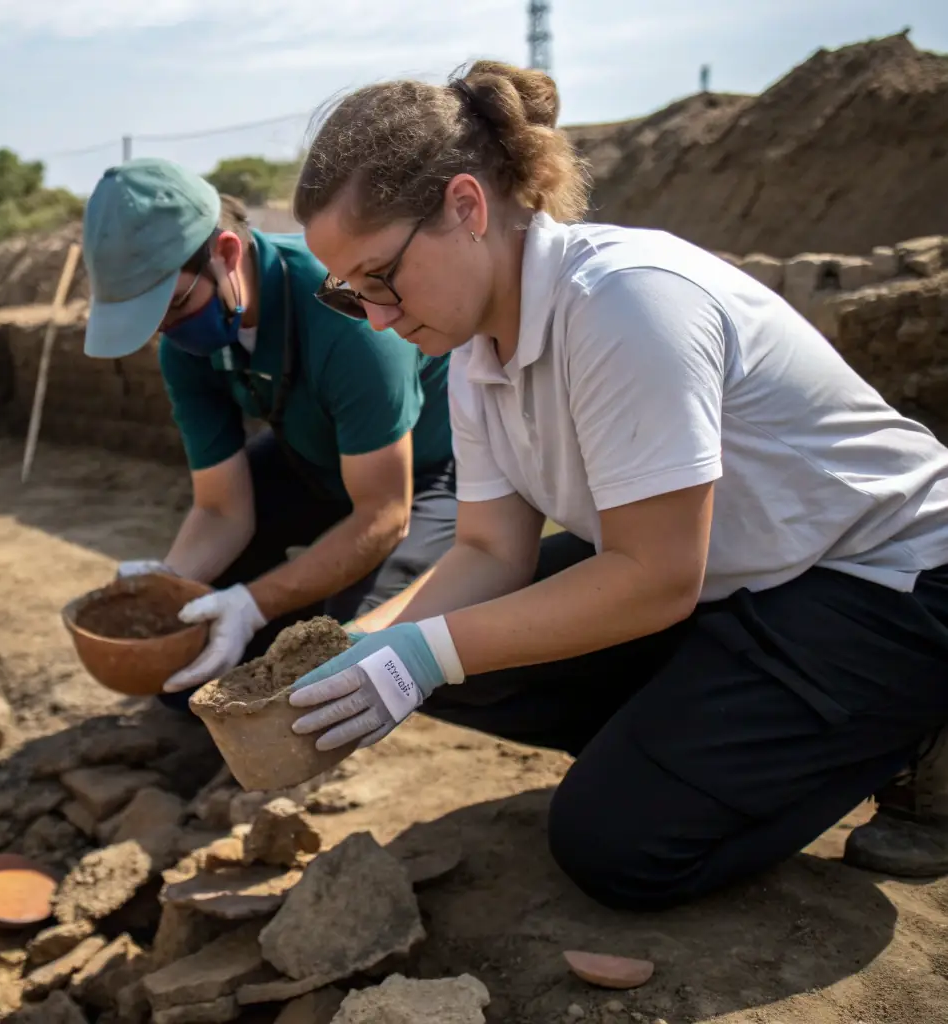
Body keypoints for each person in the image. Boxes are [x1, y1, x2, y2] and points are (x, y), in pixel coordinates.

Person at [283, 60, 948, 910]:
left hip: (883, 582)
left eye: (380, 278)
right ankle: (714, 738)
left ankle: (905, 730)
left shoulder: (624, 303)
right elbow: (489, 550)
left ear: (465, 207)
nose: (375, 317)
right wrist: (361, 649)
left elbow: (655, 575)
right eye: (349, 297)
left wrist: (423, 655)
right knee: (463, 658)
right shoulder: (474, 354)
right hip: (742, 577)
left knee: (617, 847)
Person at [81, 157, 457, 704]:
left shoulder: (344, 317)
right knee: (181, 641)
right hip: (314, 460)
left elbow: (383, 514)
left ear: (227, 254)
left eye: (178, 305)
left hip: (420, 479)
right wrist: (167, 583)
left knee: (343, 650)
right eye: (156, 324)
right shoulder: (188, 342)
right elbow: (220, 510)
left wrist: (252, 604)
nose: (173, 333)